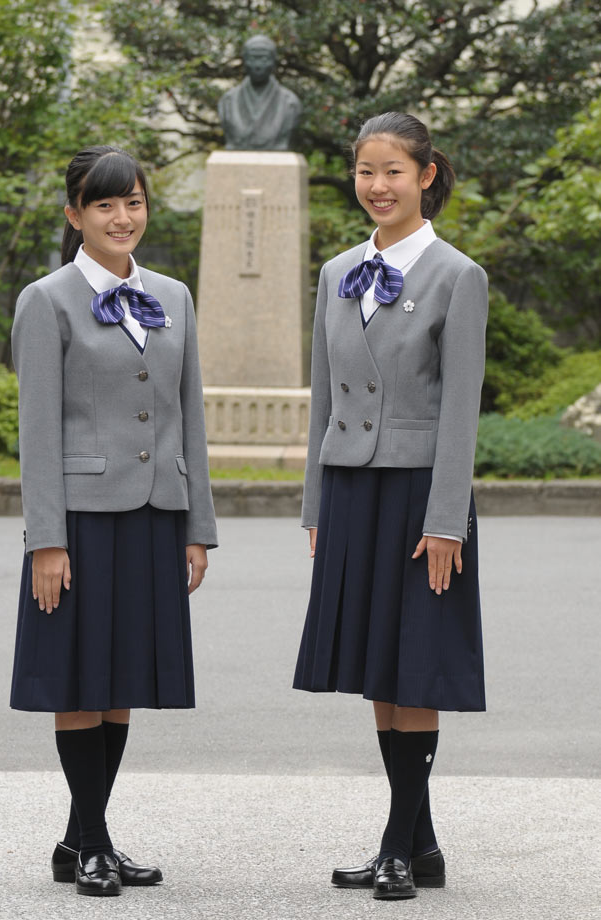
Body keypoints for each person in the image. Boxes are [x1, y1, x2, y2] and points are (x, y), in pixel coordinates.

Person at [10, 145, 217, 897]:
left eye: (131, 202)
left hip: (156, 513)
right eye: (103, 205)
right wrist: (46, 540)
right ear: (74, 216)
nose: (120, 217)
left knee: (122, 673)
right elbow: (36, 431)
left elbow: (188, 415)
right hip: (81, 520)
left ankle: (81, 836)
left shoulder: (174, 296)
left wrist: (199, 524)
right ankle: (94, 840)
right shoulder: (47, 299)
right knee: (78, 679)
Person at [293, 112, 488, 901]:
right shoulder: (337, 270)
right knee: (382, 666)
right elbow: (321, 402)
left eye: (394, 172)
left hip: (419, 496)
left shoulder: (456, 275)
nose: (378, 186)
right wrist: (314, 506)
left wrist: (447, 520)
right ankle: (423, 842)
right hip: (351, 489)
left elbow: (461, 409)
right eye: (366, 171)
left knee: (416, 669)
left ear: (427, 174)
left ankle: (395, 848)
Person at [218, 34, 302, 150]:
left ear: (273, 61)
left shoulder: (290, 103)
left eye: (263, 59)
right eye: (252, 58)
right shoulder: (228, 101)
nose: (257, 65)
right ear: (244, 61)